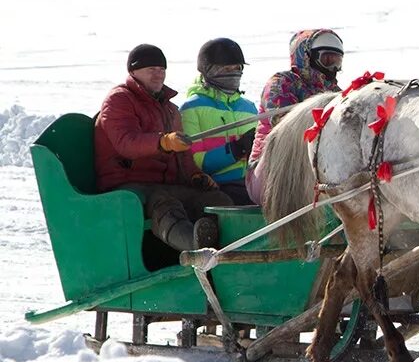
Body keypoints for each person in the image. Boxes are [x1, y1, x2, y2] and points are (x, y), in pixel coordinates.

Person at [94, 44, 232, 252]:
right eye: (151, 69)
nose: (158, 75)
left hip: (161, 183)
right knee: (164, 202)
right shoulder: (119, 100)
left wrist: (194, 175)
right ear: (133, 71)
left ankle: (234, 245)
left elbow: (182, 153)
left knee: (216, 199)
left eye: (162, 70)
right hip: (127, 184)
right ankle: (196, 248)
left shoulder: (169, 108)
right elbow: (126, 143)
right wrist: (163, 142)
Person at [245, 29, 344, 204]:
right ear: (307, 56)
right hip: (273, 171)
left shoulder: (336, 92)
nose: (333, 68)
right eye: (327, 60)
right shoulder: (282, 83)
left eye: (337, 61)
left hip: (316, 168)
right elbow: (287, 130)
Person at [179, 38, 258, 205]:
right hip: (217, 187)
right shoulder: (191, 108)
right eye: (226, 69)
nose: (233, 73)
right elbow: (195, 162)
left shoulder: (249, 108)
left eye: (237, 68)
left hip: (252, 184)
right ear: (208, 71)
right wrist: (236, 149)